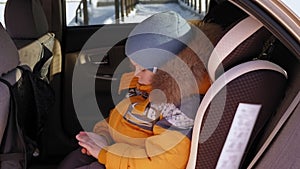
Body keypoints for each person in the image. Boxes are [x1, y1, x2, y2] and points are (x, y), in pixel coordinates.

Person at [58, 11, 222, 169]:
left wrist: (105, 153)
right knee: (74, 158)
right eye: (134, 65)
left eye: (143, 69)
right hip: (119, 153)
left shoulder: (181, 106)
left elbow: (164, 161)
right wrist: (103, 136)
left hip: (138, 163)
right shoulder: (145, 86)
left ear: (167, 70)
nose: (136, 74)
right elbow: (122, 117)